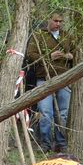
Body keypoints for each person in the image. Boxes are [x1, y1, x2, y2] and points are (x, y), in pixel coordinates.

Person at [26, 11, 75, 152]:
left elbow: (76, 52)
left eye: (60, 21)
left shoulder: (66, 36)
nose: (58, 24)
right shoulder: (39, 35)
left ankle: (61, 142)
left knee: (63, 112)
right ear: (49, 20)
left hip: (63, 78)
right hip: (44, 79)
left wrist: (69, 56)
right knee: (45, 111)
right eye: (55, 21)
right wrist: (48, 57)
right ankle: (45, 143)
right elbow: (30, 55)